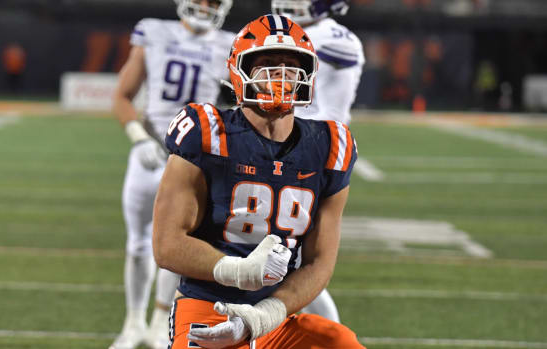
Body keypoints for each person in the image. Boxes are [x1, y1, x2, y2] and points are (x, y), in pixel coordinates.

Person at [154, 14, 364, 348]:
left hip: (273, 318)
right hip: (207, 309)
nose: (280, 75)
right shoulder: (207, 133)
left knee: (339, 341)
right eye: (266, 64)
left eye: (290, 66)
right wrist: (239, 270)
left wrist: (265, 314)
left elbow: (319, 262)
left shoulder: (331, 145)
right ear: (238, 72)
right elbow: (167, 245)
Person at [110, 1, 234, 348]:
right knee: (137, 244)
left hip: (194, 159)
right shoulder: (154, 30)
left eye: (214, 1)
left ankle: (159, 321)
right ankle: (133, 322)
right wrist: (137, 138)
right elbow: (122, 95)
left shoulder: (231, 43)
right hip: (149, 151)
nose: (205, 6)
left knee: (177, 242)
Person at [271, 0, 364, 322]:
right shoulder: (302, 34)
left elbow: (292, 56)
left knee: (297, 263)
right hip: (295, 150)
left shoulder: (336, 37)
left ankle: (331, 336)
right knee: (286, 260)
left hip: (314, 153)